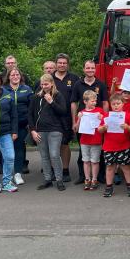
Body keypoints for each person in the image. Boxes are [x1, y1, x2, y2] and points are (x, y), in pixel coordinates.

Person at [71, 60, 109, 185]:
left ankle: (99, 177)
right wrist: (74, 122)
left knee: (99, 151)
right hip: (83, 123)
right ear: (84, 69)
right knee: (83, 152)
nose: (90, 70)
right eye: (88, 68)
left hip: (97, 124)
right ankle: (83, 176)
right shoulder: (77, 84)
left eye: (92, 68)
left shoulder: (101, 84)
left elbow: (105, 103)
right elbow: (74, 103)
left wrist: (105, 120)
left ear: (95, 69)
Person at [28, 74, 68, 191]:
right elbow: (30, 114)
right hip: (40, 130)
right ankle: (48, 179)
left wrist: (51, 102)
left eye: (46, 84)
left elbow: (63, 111)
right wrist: (32, 130)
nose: (44, 86)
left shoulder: (58, 95)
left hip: (55, 129)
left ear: (51, 84)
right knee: (44, 156)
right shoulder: (36, 97)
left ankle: (59, 180)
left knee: (54, 155)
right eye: (42, 84)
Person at [53, 53, 80, 182]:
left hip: (67, 117)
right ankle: (53, 170)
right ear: (56, 64)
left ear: (67, 64)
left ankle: (65, 170)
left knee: (64, 144)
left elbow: (78, 100)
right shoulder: (50, 78)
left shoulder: (74, 78)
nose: (62, 65)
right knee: (52, 145)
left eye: (64, 63)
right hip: (52, 117)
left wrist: (75, 120)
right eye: (60, 63)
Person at [102, 94, 130, 198]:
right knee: (109, 167)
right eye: (113, 104)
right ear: (110, 105)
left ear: (123, 104)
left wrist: (128, 127)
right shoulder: (106, 116)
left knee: (126, 167)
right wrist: (103, 128)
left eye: (118, 103)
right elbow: (99, 129)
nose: (116, 106)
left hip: (123, 146)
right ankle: (109, 187)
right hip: (109, 147)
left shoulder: (127, 115)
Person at [4, 68, 33, 186]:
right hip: (7, 124)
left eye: (17, 74)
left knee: (19, 148)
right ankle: (7, 174)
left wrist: (30, 123)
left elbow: (32, 107)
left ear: (20, 76)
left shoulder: (27, 89)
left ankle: (17, 173)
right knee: (6, 149)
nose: (15, 76)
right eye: (12, 75)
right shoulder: (3, 89)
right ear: (8, 77)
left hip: (22, 124)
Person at [77, 90, 106, 192]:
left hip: (96, 140)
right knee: (86, 161)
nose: (95, 103)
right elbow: (77, 128)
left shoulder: (100, 111)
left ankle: (94, 179)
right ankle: (87, 179)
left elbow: (106, 124)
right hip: (84, 141)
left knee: (95, 161)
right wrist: (79, 119)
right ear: (85, 101)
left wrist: (102, 118)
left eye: (95, 101)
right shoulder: (81, 113)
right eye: (92, 101)